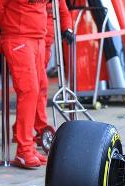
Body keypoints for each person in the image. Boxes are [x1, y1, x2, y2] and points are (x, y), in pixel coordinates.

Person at [0, 0, 49, 168]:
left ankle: (29, 147)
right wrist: (10, 26)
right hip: (18, 39)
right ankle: (24, 150)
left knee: (39, 89)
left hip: (38, 38)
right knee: (29, 90)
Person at [36, 0, 73, 139]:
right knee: (39, 86)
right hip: (33, 41)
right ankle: (39, 129)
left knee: (38, 87)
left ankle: (21, 130)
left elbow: (63, 12)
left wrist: (67, 29)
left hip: (45, 45)